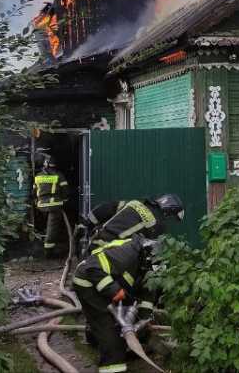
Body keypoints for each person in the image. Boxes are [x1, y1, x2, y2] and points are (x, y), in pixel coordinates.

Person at [72, 234, 160, 373]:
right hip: (88, 283)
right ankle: (112, 367)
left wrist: (144, 319)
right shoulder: (126, 254)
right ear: (146, 259)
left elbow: (146, 295)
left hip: (114, 288)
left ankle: (95, 336)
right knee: (110, 333)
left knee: (128, 329)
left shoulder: (150, 268)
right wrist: (113, 290)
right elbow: (92, 267)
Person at [86, 193, 184, 248]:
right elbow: (152, 251)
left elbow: (105, 208)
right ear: (168, 211)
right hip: (111, 252)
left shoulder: (134, 203)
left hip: (95, 242)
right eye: (171, 216)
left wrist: (86, 224)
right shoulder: (158, 226)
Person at [32, 155, 69, 257]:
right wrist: (65, 200)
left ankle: (39, 244)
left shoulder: (38, 176)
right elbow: (65, 191)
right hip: (54, 205)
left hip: (40, 206)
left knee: (42, 225)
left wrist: (37, 202)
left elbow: (34, 192)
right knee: (52, 228)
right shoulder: (58, 175)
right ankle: (48, 252)